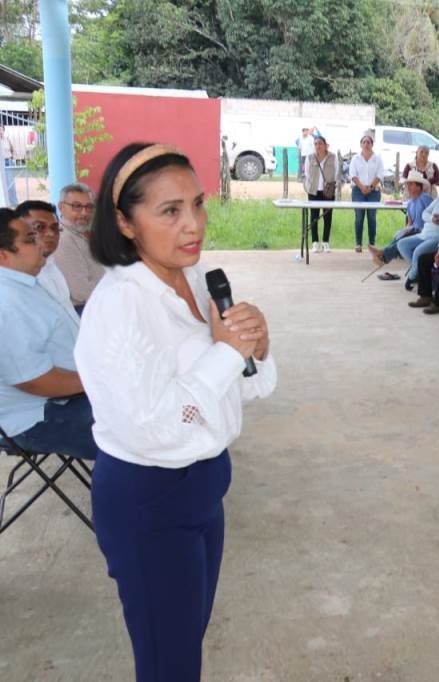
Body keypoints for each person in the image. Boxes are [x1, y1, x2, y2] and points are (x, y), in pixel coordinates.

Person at [77, 143, 277, 681]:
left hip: (206, 482)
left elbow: (245, 391)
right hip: (149, 497)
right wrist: (226, 354)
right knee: (169, 662)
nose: (193, 225)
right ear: (124, 222)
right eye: (170, 211)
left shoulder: (196, 276)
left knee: (186, 637)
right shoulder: (120, 306)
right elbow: (156, 427)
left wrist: (254, 348)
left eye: (198, 203)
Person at [0, 208, 95, 461]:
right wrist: (100, 381)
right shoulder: (6, 302)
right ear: (3, 255)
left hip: (68, 397)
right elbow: (34, 381)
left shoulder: (25, 282)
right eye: (30, 240)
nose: (41, 243)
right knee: (140, 430)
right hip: (39, 416)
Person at [16, 200, 78, 323]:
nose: (50, 234)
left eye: (55, 228)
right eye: (39, 227)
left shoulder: (51, 267)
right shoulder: (21, 276)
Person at [395, 177, 439, 289]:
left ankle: (412, 276)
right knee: (401, 244)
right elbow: (425, 213)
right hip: (425, 233)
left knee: (418, 252)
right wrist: (433, 219)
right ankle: (418, 272)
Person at [52, 182, 104, 309]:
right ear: (61, 207)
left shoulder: (80, 233)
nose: (84, 213)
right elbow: (81, 292)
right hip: (86, 308)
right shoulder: (63, 239)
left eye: (89, 207)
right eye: (76, 206)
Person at [368, 170, 433, 269]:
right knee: (401, 236)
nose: (408, 187)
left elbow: (432, 218)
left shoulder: (425, 198)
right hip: (414, 230)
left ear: (418, 186)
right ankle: (383, 255)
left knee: (406, 236)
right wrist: (403, 232)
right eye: (408, 185)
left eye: (411, 184)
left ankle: (382, 255)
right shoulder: (410, 203)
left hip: (423, 231)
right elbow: (410, 223)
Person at [303, 136, 341, 254]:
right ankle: (315, 243)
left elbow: (337, 173)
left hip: (328, 192)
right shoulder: (310, 158)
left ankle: (325, 243)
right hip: (314, 192)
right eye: (315, 144)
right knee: (313, 217)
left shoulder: (333, 158)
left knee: (327, 217)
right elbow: (307, 174)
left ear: (325, 145)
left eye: (320, 143)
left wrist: (332, 186)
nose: (318, 146)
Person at [349, 131, 385, 252]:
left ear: (372, 144)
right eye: (364, 142)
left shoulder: (377, 158)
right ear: (360, 144)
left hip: (373, 192)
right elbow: (353, 175)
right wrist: (362, 187)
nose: (366, 144)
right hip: (358, 191)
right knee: (359, 217)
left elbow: (380, 175)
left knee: (372, 217)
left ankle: (372, 243)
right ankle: (358, 243)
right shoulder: (355, 158)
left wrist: (370, 187)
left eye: (368, 142)